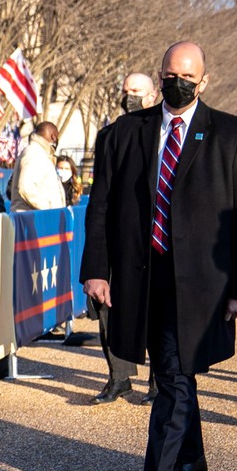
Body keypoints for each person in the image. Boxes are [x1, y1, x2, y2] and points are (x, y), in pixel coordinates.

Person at [80, 42, 237, 471]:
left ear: (203, 81)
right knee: (172, 373)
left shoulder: (231, 133)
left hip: (201, 284)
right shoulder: (125, 131)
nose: (175, 83)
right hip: (143, 279)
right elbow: (100, 205)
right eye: (168, 75)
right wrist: (96, 270)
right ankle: (194, 460)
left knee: (175, 377)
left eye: (186, 76)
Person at [87, 73, 158, 405]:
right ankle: (119, 377)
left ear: (153, 95)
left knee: (156, 309)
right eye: (126, 90)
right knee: (106, 306)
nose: (129, 96)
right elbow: (100, 194)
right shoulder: (108, 135)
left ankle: (160, 381)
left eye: (137, 91)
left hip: (152, 238)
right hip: (115, 238)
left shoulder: (165, 132)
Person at [10, 121, 66, 210]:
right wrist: (50, 208)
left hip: (35, 217)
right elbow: (26, 188)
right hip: (33, 219)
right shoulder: (34, 153)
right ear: (53, 137)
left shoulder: (39, 153)